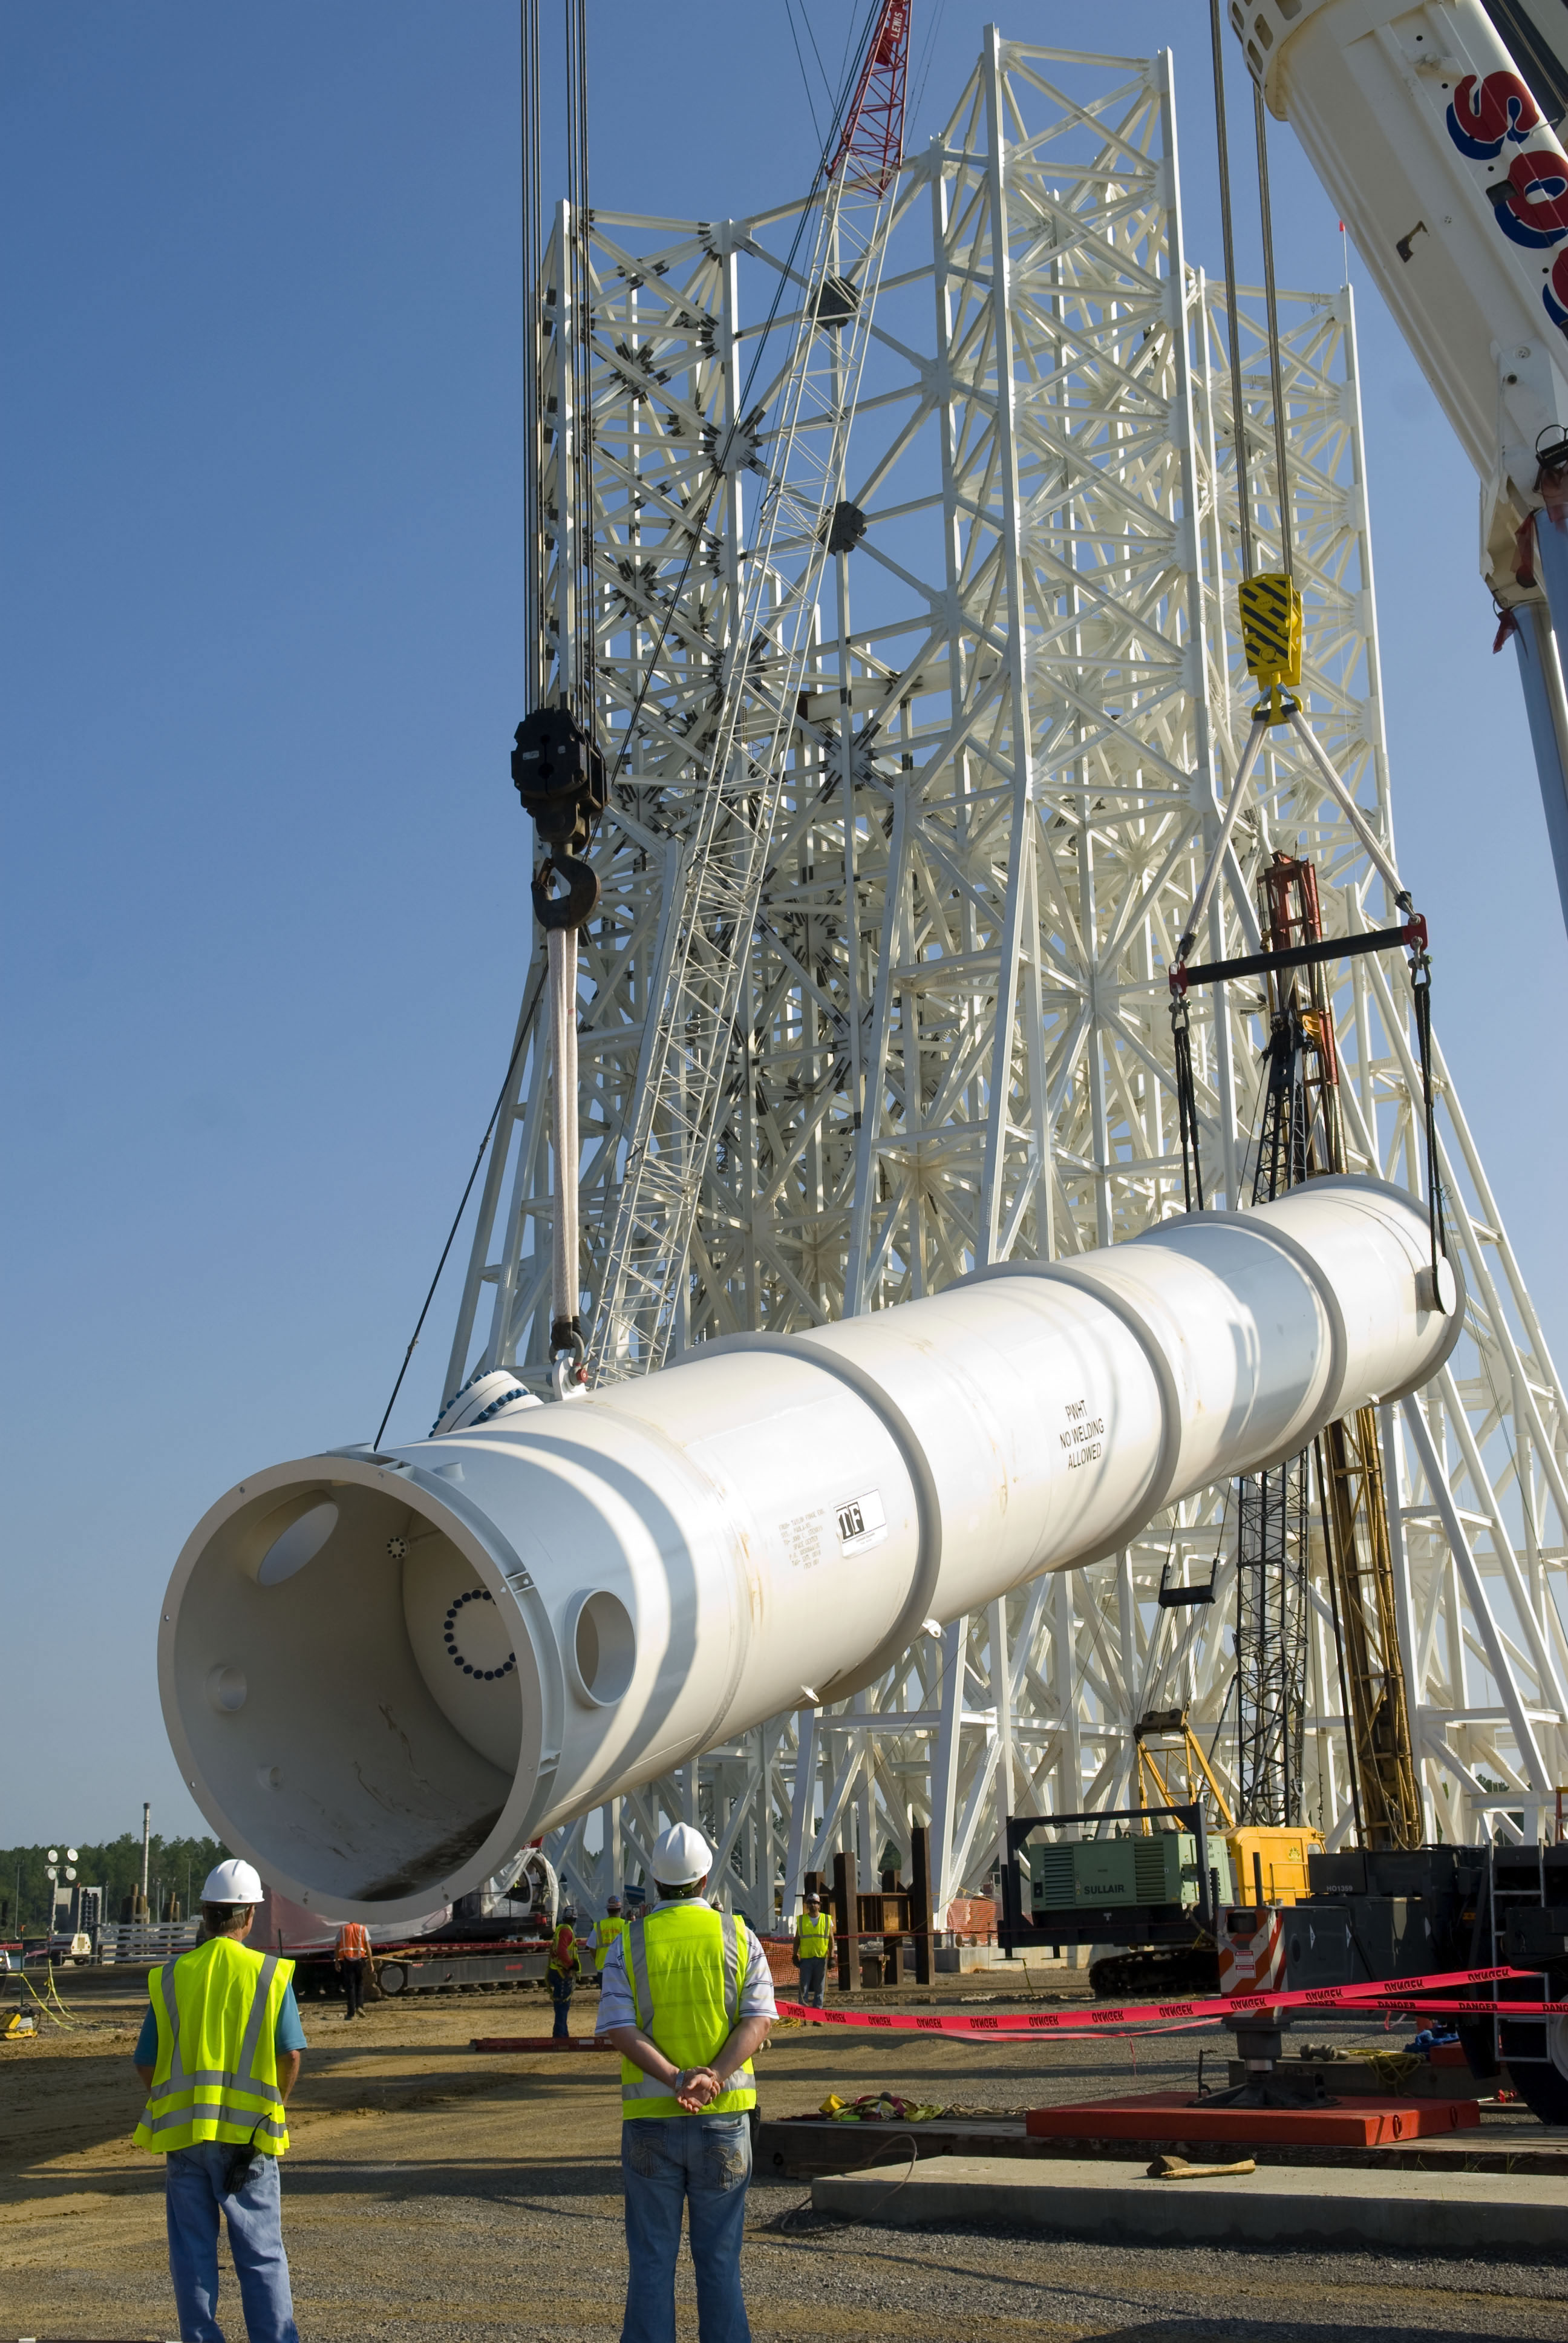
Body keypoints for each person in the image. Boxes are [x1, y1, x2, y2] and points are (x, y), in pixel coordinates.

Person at [599, 1823, 774, 2343]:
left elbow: (620, 2029)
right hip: (723, 2121)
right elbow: (758, 2020)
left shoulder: (628, 1944)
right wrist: (713, 2078)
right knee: (719, 2261)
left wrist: (676, 2077)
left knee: (652, 2262)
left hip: (650, 2123)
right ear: (704, 1880)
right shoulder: (739, 1937)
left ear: (654, 1881)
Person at [132, 1858, 305, 2343]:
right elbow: (289, 2054)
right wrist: (273, 2106)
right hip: (247, 2141)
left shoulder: (172, 1976)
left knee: (191, 2256)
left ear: (205, 1916)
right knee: (261, 2254)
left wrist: (175, 2104)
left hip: (185, 2139)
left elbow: (145, 2061)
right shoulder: (268, 1974)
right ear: (250, 1916)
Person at [792, 1890, 833, 2008]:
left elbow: (831, 1940)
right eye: (810, 1903)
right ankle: (803, 2013)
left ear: (819, 1905)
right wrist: (794, 1955)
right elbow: (797, 1939)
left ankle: (817, 2015)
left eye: (815, 1903)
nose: (812, 1905)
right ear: (807, 1905)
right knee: (803, 1988)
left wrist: (831, 1957)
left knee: (820, 1988)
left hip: (821, 1958)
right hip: (806, 1960)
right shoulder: (801, 1920)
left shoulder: (826, 1919)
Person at [547, 1906, 583, 2040]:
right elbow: (562, 1951)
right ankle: (560, 2036)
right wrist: (570, 1966)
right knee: (563, 2006)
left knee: (561, 2006)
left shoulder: (561, 1930)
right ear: (575, 1920)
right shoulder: (567, 1932)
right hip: (562, 1973)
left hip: (558, 1970)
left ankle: (563, 2033)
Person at [334, 1918, 371, 2020]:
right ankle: (360, 2007)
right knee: (360, 1984)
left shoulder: (343, 1930)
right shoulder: (363, 1929)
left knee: (350, 1987)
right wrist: (371, 1963)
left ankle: (351, 2013)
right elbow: (368, 1947)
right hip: (360, 1961)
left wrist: (337, 1961)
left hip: (348, 1961)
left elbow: (337, 1947)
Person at [590, 1895, 627, 1977]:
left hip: (603, 1969)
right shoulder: (627, 1925)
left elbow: (591, 1948)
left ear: (607, 1910)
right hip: (622, 1969)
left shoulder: (598, 1926)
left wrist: (598, 1959)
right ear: (620, 1909)